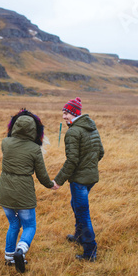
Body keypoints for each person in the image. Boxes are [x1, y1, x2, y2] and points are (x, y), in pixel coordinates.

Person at [0, 109, 56, 273]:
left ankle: (9, 257)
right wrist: (51, 185)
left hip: (5, 191)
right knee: (30, 225)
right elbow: (42, 175)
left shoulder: (5, 143)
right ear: (34, 130)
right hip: (24, 192)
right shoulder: (35, 149)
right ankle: (20, 251)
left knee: (13, 224)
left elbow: (11, 141)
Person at [53, 97, 104, 262]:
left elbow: (72, 161)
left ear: (74, 114)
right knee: (76, 205)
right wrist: (89, 166)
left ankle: (90, 252)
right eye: (63, 113)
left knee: (82, 212)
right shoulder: (92, 127)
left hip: (80, 180)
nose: (63, 117)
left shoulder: (73, 132)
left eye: (66, 113)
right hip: (91, 177)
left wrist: (58, 180)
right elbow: (100, 152)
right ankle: (78, 236)